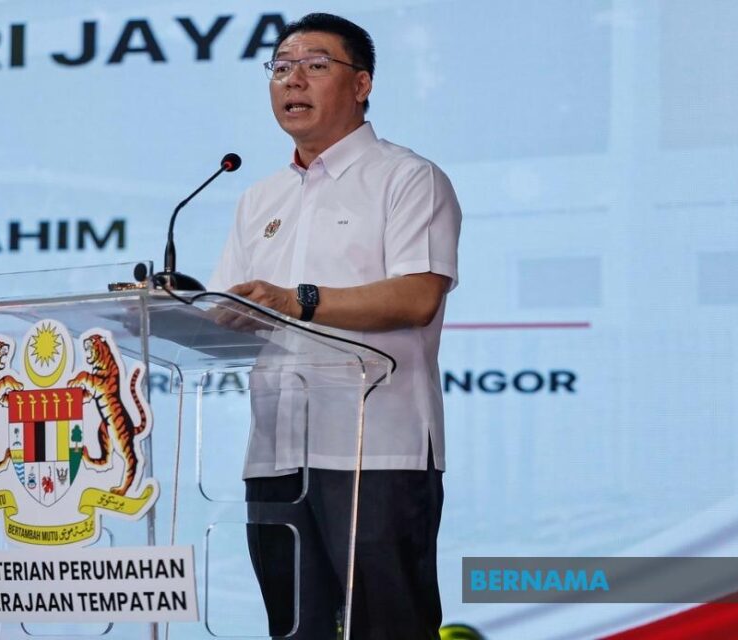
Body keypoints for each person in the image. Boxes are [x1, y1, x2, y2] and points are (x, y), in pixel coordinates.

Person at [208, 12, 462, 640]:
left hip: (377, 450)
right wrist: (183, 317)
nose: (293, 80)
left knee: (388, 629)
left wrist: (298, 300)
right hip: (275, 453)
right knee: (296, 629)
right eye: (281, 67)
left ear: (362, 83)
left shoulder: (408, 178)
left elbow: (418, 296)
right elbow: (232, 313)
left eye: (316, 65)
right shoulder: (257, 198)